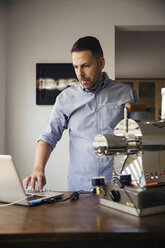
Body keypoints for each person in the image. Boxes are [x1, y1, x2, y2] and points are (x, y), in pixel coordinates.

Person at [23, 36, 146, 192]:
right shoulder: (65, 98)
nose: (79, 73)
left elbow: (141, 139)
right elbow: (48, 137)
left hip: (119, 187)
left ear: (101, 63)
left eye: (85, 66)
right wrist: (38, 169)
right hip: (80, 188)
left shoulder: (126, 93)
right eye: (75, 67)